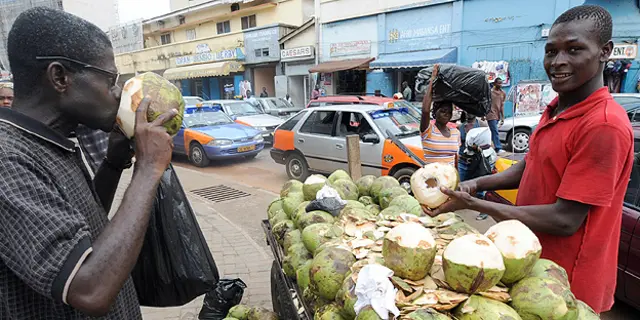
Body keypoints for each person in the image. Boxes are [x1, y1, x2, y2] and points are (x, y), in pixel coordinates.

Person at [428, 5, 633, 314]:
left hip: (567, 285)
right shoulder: (556, 109)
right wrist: (472, 184)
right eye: (551, 51)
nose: (558, 62)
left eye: (574, 50)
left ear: (605, 52)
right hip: (528, 263)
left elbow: (566, 220)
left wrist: (475, 205)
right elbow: (527, 169)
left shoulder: (603, 124)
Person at [0, 8, 178, 319]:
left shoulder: (54, 142)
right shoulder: (8, 160)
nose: (117, 93)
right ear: (60, 77)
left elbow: (85, 227)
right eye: (110, 79)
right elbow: (89, 289)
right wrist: (148, 170)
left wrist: (112, 163)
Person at [420, 96, 460, 166]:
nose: (446, 114)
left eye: (449, 112)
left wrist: (457, 176)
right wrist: (431, 85)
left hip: (449, 176)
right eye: (443, 111)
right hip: (432, 176)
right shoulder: (428, 130)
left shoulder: (455, 132)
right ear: (435, 112)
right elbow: (425, 111)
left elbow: (455, 158)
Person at [457, 111, 487, 181]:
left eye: (471, 110)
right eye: (467, 110)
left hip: (477, 164)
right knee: (460, 187)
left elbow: (490, 145)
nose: (469, 112)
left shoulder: (482, 125)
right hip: (462, 162)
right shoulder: (460, 127)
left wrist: (478, 147)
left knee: (478, 189)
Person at [485, 77, 506, 153]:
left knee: (492, 131)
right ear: (494, 83)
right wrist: (484, 114)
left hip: (497, 115)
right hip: (490, 114)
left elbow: (502, 106)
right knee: (495, 131)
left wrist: (503, 117)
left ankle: (488, 147)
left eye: (501, 83)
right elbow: (486, 103)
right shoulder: (490, 92)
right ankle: (498, 148)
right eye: (498, 83)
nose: (500, 85)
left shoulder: (503, 93)